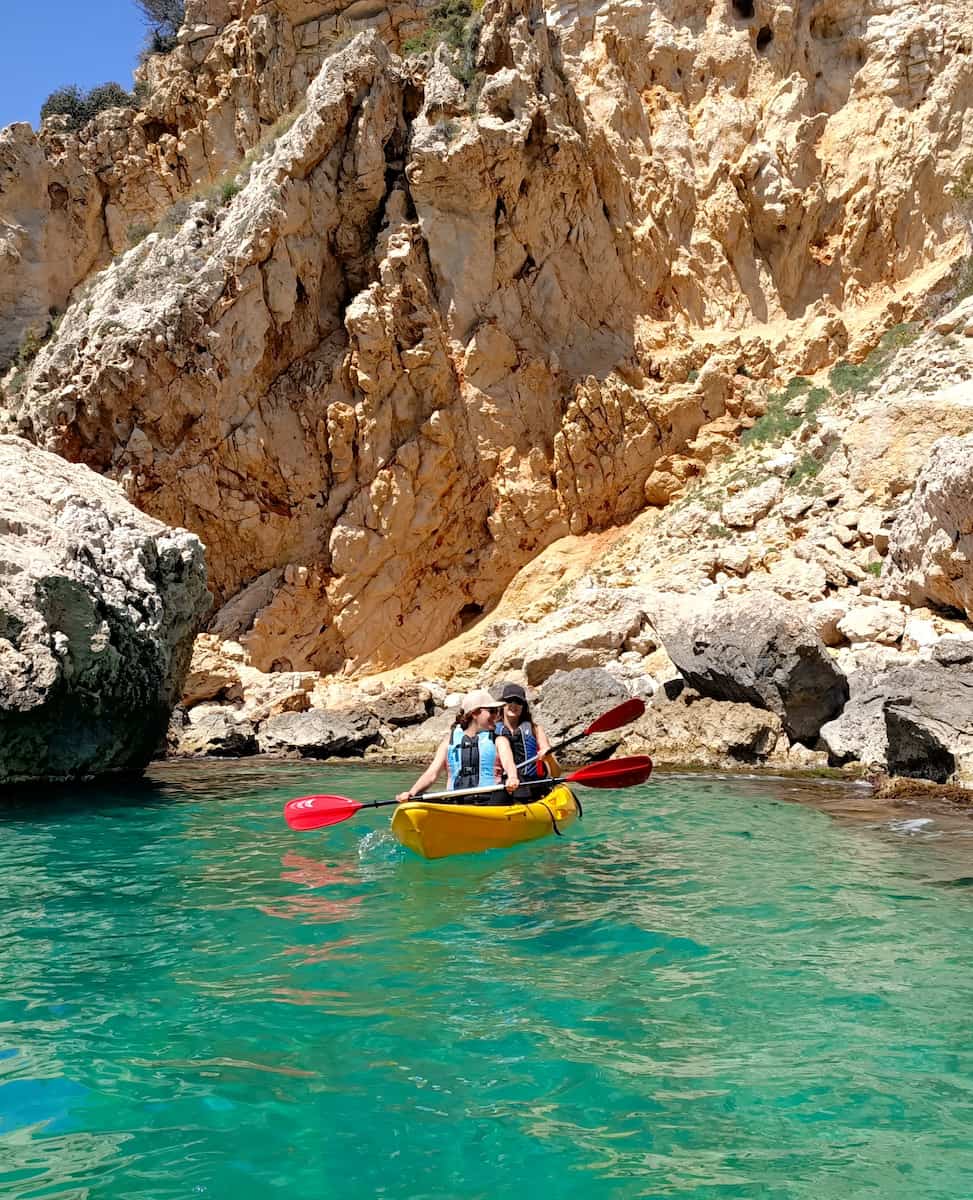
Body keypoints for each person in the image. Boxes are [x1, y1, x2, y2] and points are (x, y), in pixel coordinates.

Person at [395, 689, 520, 803]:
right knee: (416, 800)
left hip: (489, 800)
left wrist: (512, 778)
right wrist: (412, 793)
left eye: (497, 711)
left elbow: (509, 764)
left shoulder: (499, 741)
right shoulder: (449, 742)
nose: (497, 716)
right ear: (475, 713)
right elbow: (432, 774)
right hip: (457, 800)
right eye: (492, 711)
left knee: (503, 795)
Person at [495, 682, 551, 780]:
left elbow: (545, 746)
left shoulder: (536, 729)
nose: (514, 704)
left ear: (523, 706)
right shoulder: (492, 731)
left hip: (530, 782)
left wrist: (545, 751)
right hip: (504, 782)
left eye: (518, 702)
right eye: (510, 700)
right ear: (502, 704)